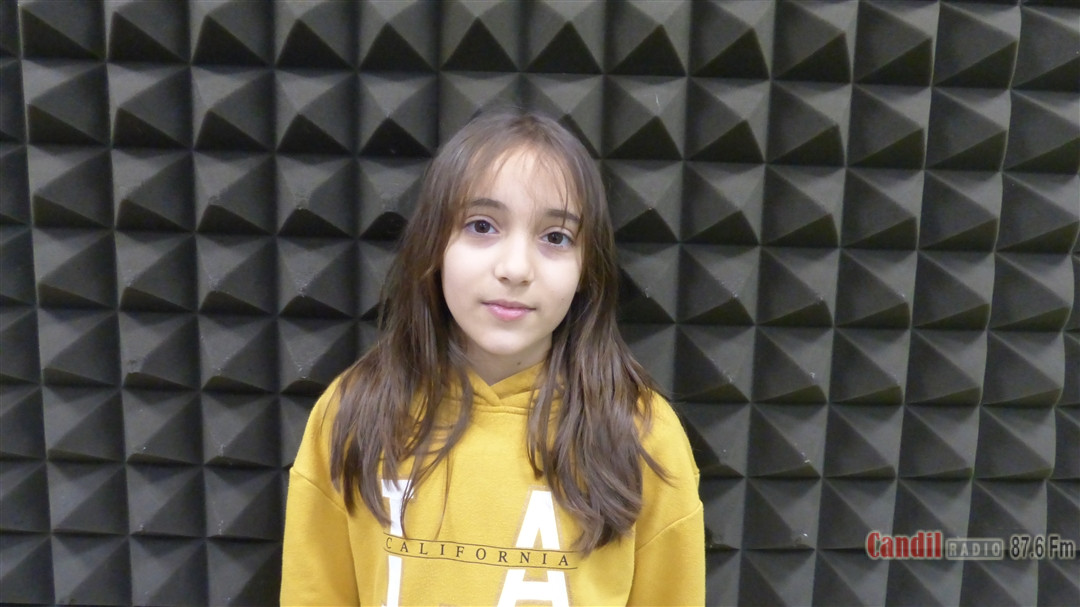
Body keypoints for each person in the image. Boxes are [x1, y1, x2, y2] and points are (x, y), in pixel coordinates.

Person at [280, 109, 704, 606]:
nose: (515, 268)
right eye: (482, 226)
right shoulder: (350, 414)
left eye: (555, 237)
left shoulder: (644, 434)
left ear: (587, 269)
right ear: (433, 245)